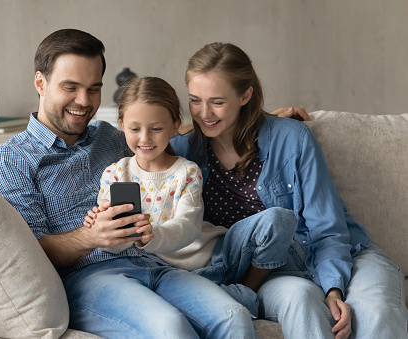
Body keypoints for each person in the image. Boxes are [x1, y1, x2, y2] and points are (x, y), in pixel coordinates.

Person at [0, 29, 268, 339]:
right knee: (169, 328)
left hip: (153, 262)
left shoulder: (108, 136)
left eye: (94, 88)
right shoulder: (13, 159)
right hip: (89, 280)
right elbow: (28, 252)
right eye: (71, 87)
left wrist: (254, 122)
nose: (84, 101)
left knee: (234, 317)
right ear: (40, 82)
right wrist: (90, 236)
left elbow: (158, 134)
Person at [170, 42, 408, 339]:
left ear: (245, 95)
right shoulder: (183, 154)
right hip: (276, 272)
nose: (204, 113)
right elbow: (138, 142)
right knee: (302, 301)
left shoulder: (292, 139)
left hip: (344, 252)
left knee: (375, 314)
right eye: (195, 100)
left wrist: (333, 289)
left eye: (217, 102)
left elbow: (329, 228)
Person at [86, 76, 298, 317]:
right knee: (235, 309)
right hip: (184, 277)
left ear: (174, 126)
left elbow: (188, 225)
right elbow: (118, 246)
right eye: (135, 129)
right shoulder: (115, 174)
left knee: (280, 219)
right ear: (122, 124)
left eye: (156, 128)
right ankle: (239, 297)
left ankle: (249, 288)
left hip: (221, 252)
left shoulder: (186, 171)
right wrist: (101, 228)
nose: (145, 138)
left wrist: (153, 234)